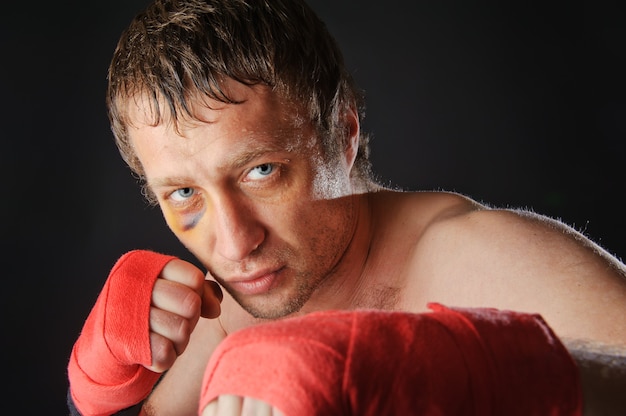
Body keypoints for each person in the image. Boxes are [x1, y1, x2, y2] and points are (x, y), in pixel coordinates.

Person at [67, 0, 626, 415]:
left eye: (261, 171)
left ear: (344, 132)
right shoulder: (224, 316)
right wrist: (96, 396)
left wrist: (467, 369)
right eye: (185, 193)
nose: (235, 245)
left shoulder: (477, 257)